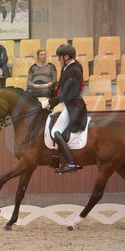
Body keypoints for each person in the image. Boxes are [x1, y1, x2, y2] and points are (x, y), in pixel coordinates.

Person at [41, 44, 87, 174]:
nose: (58, 60)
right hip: (68, 104)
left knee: (55, 131)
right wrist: (51, 104)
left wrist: (49, 102)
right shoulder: (69, 67)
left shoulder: (73, 70)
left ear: (66, 57)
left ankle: (71, 163)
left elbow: (67, 94)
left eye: (59, 57)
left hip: (73, 106)